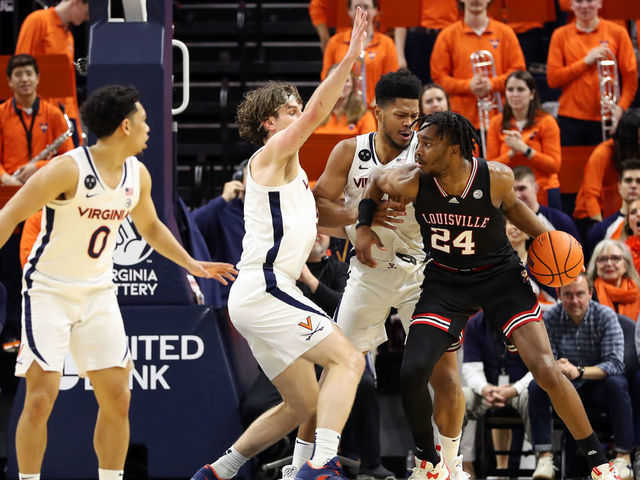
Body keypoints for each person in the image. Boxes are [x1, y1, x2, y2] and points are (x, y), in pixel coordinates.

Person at [355, 110, 621, 480]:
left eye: (427, 143)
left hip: (500, 279)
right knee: (412, 373)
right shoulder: (410, 180)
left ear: (453, 148)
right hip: (446, 281)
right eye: (418, 142)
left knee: (545, 368)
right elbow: (374, 183)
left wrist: (554, 246)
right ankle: (430, 464)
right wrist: (364, 227)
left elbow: (516, 210)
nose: (417, 150)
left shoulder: (495, 177)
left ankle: (599, 464)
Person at [0, 84, 237, 480]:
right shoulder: (68, 169)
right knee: (41, 399)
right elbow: (8, 215)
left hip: (98, 294)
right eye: (144, 120)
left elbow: (150, 227)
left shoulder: (136, 175)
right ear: (125, 126)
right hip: (48, 291)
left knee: (118, 399)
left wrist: (192, 264)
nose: (149, 128)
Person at [191, 9, 368, 480]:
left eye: (297, 107)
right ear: (271, 122)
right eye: (291, 108)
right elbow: (316, 113)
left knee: (303, 402)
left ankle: (220, 472)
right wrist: (349, 57)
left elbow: (318, 225)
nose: (301, 113)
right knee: (349, 359)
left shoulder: (291, 176)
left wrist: (367, 222)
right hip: (267, 286)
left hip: (257, 293)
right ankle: (320, 463)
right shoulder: (270, 156)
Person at [312, 70, 468, 480]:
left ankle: (448, 465)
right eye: (400, 115)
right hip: (368, 272)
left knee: (446, 372)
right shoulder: (349, 151)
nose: (409, 125)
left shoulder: (430, 152)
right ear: (376, 111)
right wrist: (362, 213)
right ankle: (316, 460)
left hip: (424, 271)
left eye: (414, 116)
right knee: (337, 365)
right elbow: (318, 209)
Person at [528, 273, 634, 480]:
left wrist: (580, 371)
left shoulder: (605, 316)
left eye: (579, 294)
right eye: (568, 295)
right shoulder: (549, 318)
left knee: (617, 383)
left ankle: (624, 458)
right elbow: (545, 360)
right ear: (559, 294)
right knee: (536, 386)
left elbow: (615, 363)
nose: (574, 301)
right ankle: (545, 457)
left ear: (590, 294)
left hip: (597, 386)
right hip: (564, 386)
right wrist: (558, 367)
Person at [546, 0, 638, 146]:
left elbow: (630, 76)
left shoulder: (618, 32)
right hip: (570, 119)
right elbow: (553, 79)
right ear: (571, 5)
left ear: (600, 3)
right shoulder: (560, 35)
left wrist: (621, 108)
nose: (584, 6)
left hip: (606, 117)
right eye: (579, 1)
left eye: (589, 0)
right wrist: (585, 62)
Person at [430, 0, 525, 134]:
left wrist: (492, 84)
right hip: (461, 120)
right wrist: (468, 85)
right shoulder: (447, 35)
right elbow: (439, 78)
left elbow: (519, 73)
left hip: (500, 117)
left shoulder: (506, 33)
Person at [15, 0, 90, 147]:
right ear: (76, 2)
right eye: (87, 12)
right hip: (42, 117)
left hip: (66, 115)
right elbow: (19, 68)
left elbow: (68, 83)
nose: (87, 18)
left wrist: (75, 120)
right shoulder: (38, 21)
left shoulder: (68, 35)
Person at [486, 70, 562, 210]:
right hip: (508, 191)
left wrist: (525, 149)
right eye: (510, 90)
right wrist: (511, 153)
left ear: (532, 94)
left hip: (543, 189)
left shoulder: (547, 122)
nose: (515, 94)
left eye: (520, 89)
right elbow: (490, 168)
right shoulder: (497, 123)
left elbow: (554, 166)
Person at [1, 54, 74, 186]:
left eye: (29, 74)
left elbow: (69, 158)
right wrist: (7, 179)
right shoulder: (1, 114)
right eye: (18, 75)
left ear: (38, 78)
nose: (24, 79)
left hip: (45, 185)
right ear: (9, 81)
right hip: (8, 185)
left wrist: (38, 166)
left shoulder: (54, 114)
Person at [321, 0, 398, 107]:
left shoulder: (387, 43)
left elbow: (392, 80)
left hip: (375, 110)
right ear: (349, 11)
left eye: (366, 6)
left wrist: (376, 104)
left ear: (375, 10)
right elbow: (326, 78)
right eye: (357, 7)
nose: (362, 11)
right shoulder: (335, 42)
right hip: (342, 111)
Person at [191, 159, 248, 303]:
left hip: (263, 297)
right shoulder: (223, 210)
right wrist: (222, 199)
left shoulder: (273, 212)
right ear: (239, 180)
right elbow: (192, 225)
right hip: (229, 298)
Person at [573, 108, 640, 223]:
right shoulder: (602, 153)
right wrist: (601, 228)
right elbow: (590, 196)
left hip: (627, 215)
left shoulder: (635, 151)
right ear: (629, 139)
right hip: (593, 217)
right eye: (639, 138)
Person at [393, 0, 459, 84]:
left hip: (449, 37)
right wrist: (399, 55)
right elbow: (402, 15)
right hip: (418, 39)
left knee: (448, 84)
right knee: (417, 88)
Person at [587, 159, 640, 258]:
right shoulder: (601, 230)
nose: (633, 185)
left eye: (639, 181)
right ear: (619, 186)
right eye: (628, 181)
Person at [512, 166, 581, 242]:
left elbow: (577, 252)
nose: (517, 195)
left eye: (522, 188)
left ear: (536, 188)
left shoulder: (560, 221)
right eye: (512, 190)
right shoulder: (503, 223)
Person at [587, 239, 640, 322]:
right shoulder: (588, 294)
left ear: (626, 265)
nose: (609, 264)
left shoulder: (638, 291)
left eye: (615, 258)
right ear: (595, 265)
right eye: (603, 259)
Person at [315, 64, 377, 135]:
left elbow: (369, 145)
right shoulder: (315, 115)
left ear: (353, 84)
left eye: (346, 80)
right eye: (334, 80)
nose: (340, 84)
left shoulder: (364, 116)